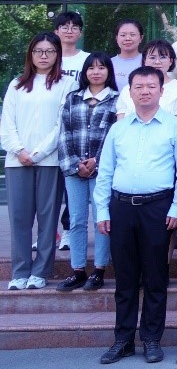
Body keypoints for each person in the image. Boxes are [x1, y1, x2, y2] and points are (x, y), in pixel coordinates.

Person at [94, 66, 177, 364]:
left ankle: (151, 339)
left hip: (158, 208)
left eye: (151, 86)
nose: (145, 91)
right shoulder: (119, 129)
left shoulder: (175, 127)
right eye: (139, 86)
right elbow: (105, 172)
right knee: (125, 278)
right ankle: (123, 340)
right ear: (130, 91)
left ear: (161, 90)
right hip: (121, 208)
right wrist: (102, 209)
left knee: (155, 277)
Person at [3, 32, 75, 290]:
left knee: (47, 218)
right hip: (17, 161)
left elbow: (62, 123)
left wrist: (39, 153)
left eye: (49, 51)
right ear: (30, 54)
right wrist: (19, 150)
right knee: (19, 219)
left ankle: (41, 271)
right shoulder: (17, 84)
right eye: (38, 51)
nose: (43, 56)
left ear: (57, 55)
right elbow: (7, 123)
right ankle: (20, 272)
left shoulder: (66, 83)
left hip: (50, 161)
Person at [56, 52, 118, 292]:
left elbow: (114, 137)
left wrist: (96, 162)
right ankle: (78, 270)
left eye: (101, 67)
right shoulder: (73, 98)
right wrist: (76, 164)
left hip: (103, 171)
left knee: (101, 218)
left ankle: (99, 269)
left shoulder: (117, 99)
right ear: (85, 72)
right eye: (91, 68)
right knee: (77, 220)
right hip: (74, 170)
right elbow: (64, 133)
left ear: (109, 71)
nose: (96, 72)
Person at [116, 40, 177, 124]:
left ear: (171, 61)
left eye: (163, 57)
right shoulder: (128, 88)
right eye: (152, 57)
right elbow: (120, 124)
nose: (157, 62)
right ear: (144, 60)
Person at [53, 11, 91, 83]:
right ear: (56, 32)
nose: (69, 31)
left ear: (80, 33)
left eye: (74, 28)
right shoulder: (48, 58)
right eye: (65, 28)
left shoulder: (88, 58)